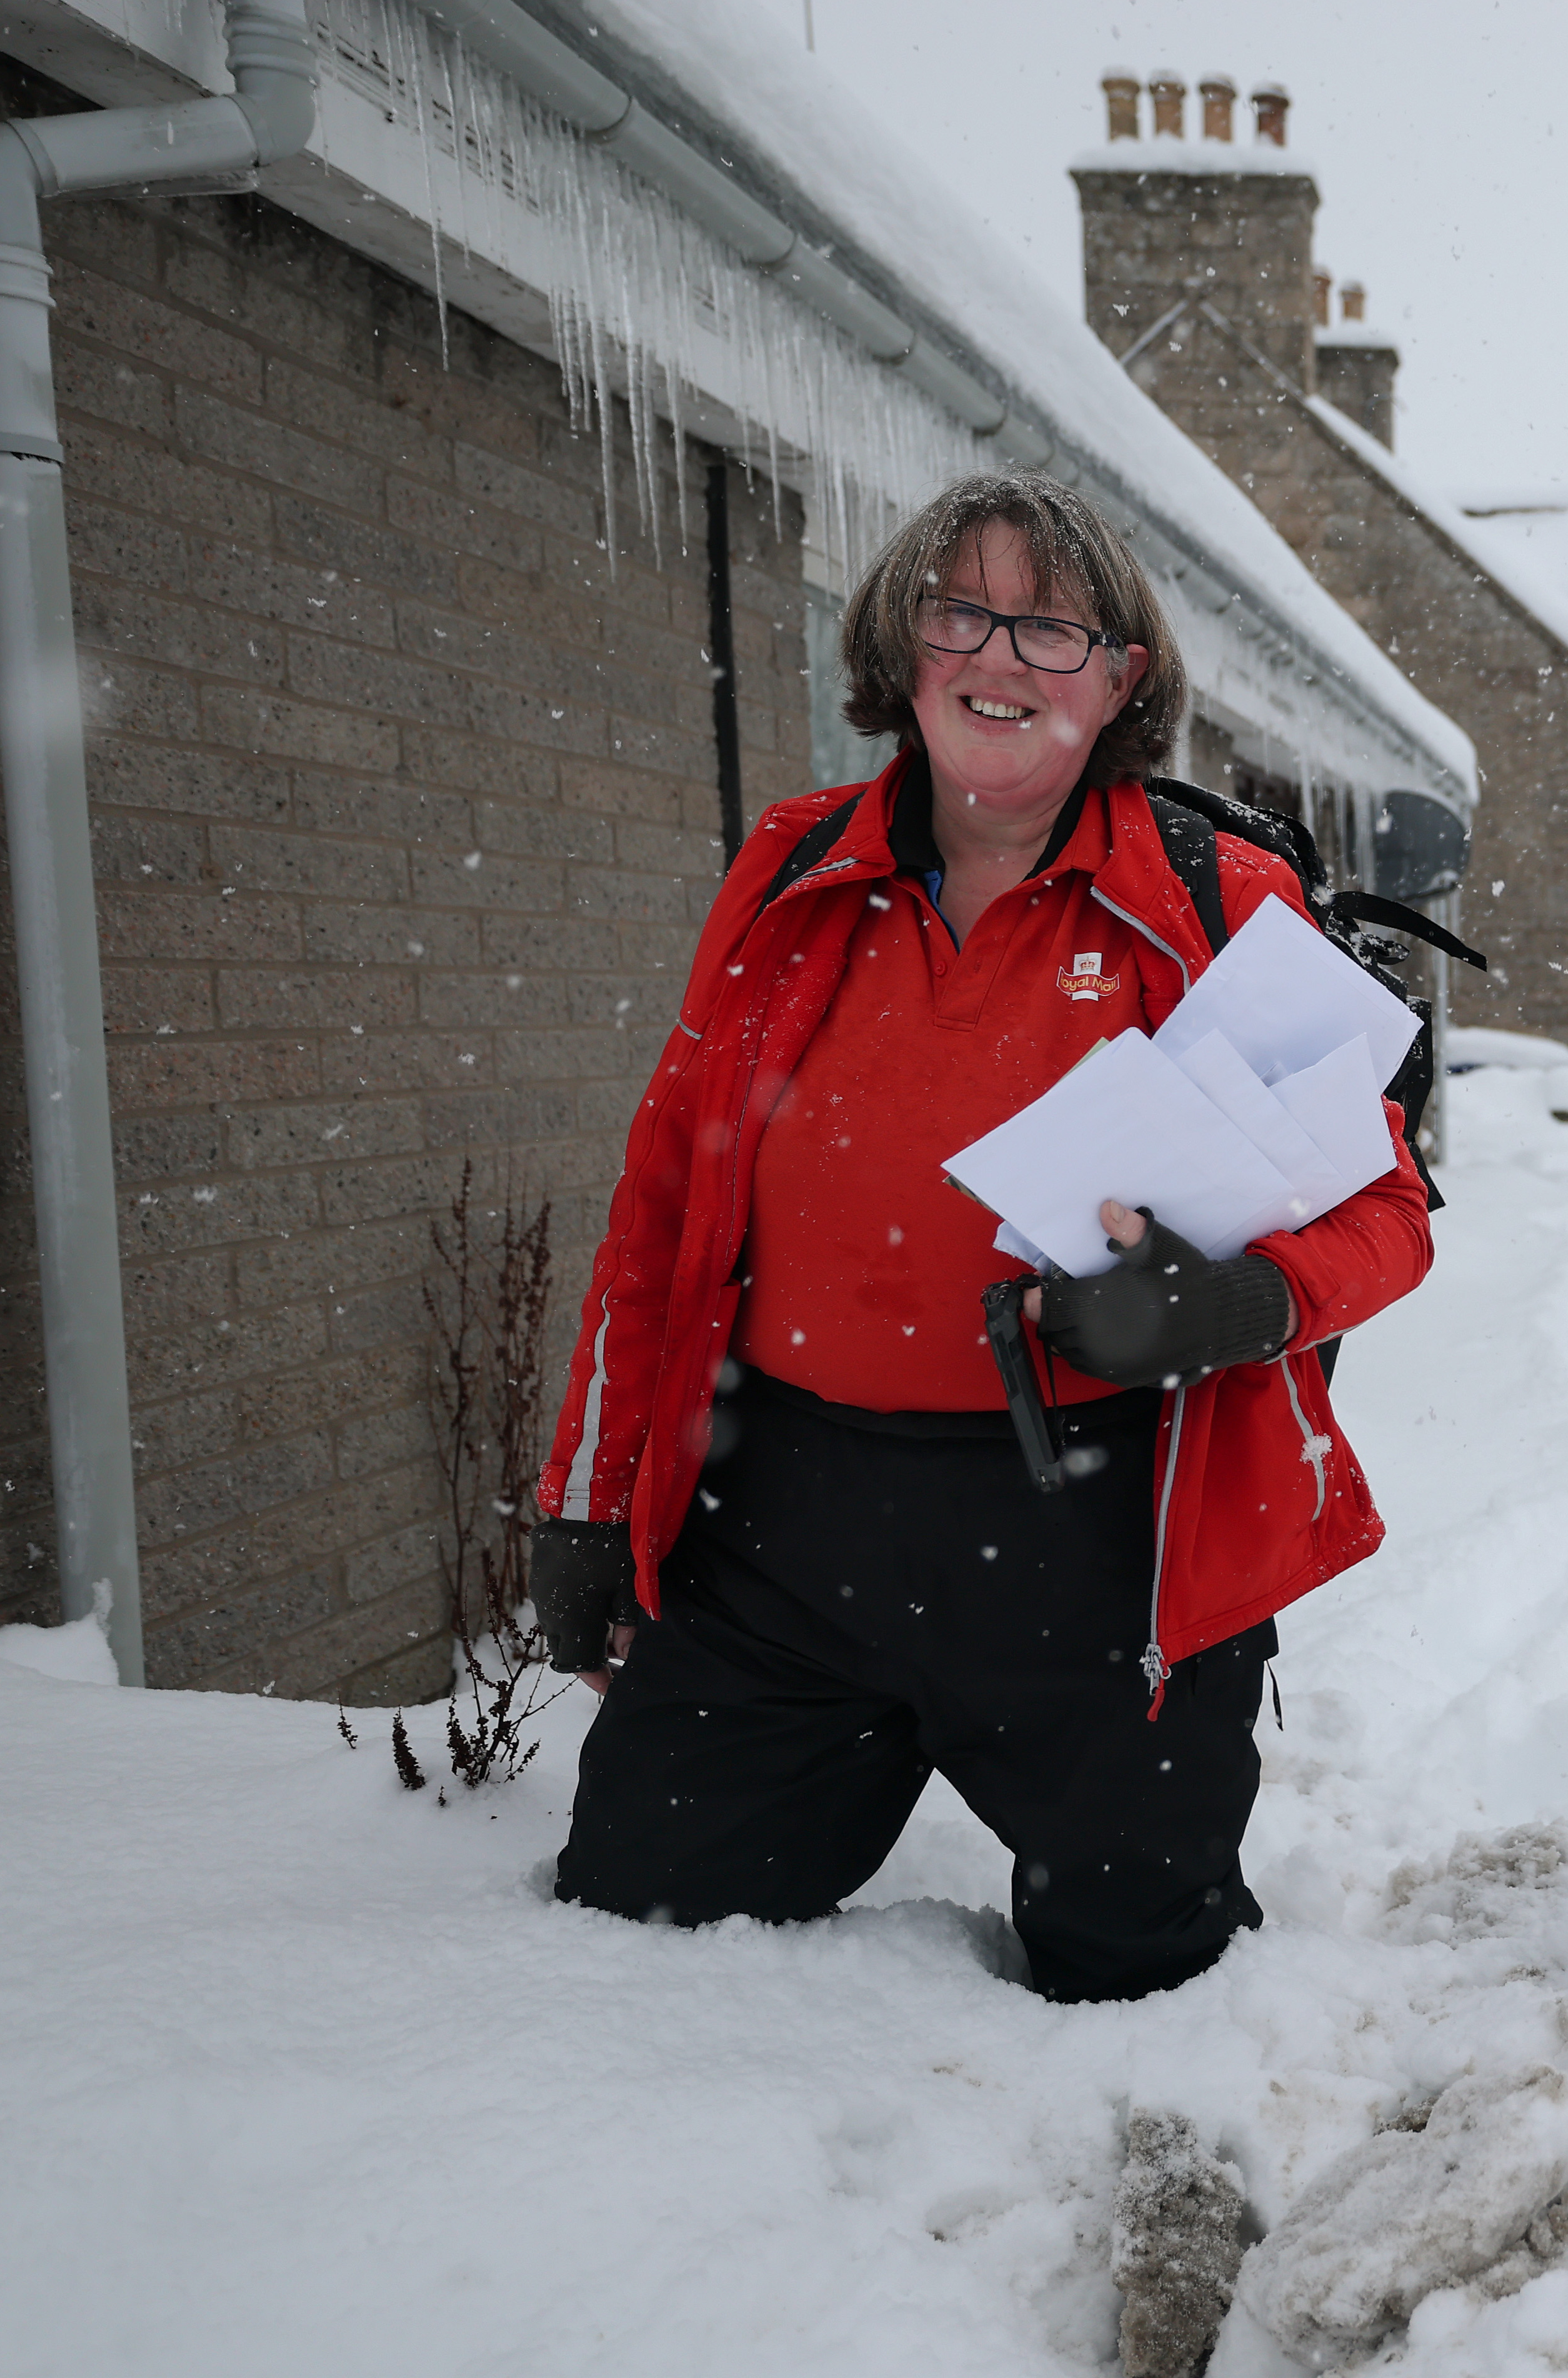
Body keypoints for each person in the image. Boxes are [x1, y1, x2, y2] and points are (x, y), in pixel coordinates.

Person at [523, 469, 1431, 2003]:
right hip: (788, 1532)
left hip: (1098, 1548)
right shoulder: (792, 875)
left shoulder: (1216, 898)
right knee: (638, 1930)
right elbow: (665, 1205)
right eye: (964, 612)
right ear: (904, 644)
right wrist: (588, 1497)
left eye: (1054, 629)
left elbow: (1387, 1214)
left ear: (1123, 676)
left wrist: (1231, 1305)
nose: (1001, 659)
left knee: (1146, 1979)